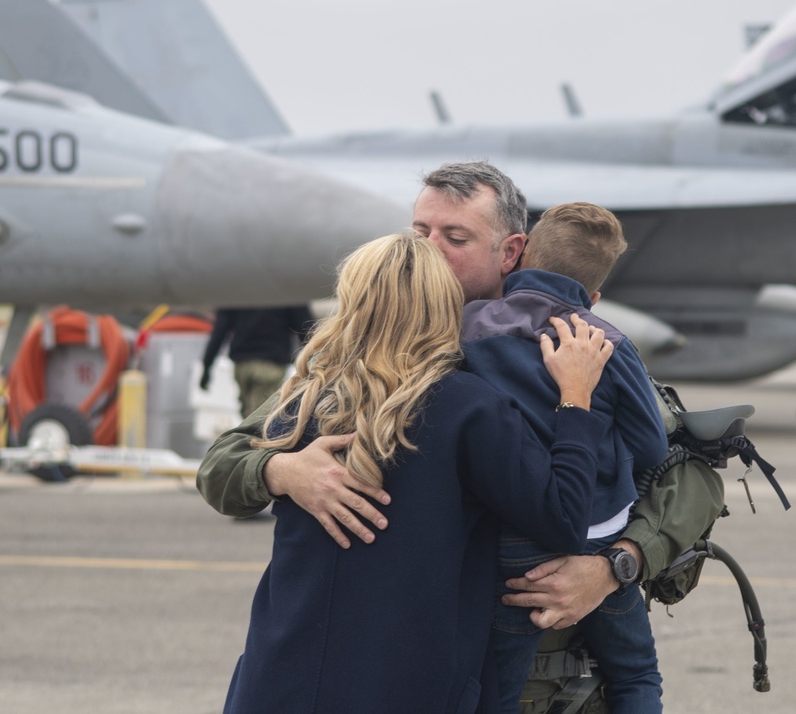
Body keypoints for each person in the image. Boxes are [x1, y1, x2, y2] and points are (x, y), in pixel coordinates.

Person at [196, 161, 725, 709]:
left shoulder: (571, 350)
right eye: (419, 232)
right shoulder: (365, 365)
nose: (428, 248)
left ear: (511, 252)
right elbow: (223, 463)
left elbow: (691, 476)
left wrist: (615, 566)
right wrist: (281, 470)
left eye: (455, 237)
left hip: (551, 679)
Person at [223, 232, 613, 713]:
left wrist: (276, 468)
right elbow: (563, 519)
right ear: (443, 305)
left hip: (275, 682)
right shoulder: (469, 408)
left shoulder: (301, 404)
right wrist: (576, 400)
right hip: (409, 687)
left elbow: (223, 462)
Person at [462, 202, 667, 713]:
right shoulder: (606, 340)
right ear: (594, 296)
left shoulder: (467, 328)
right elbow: (651, 446)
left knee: (498, 691)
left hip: (514, 540)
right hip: (600, 539)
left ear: (520, 253)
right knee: (636, 672)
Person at [200, 306, 314, 417]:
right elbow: (307, 331)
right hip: (270, 366)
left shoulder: (234, 291)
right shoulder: (285, 293)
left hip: (242, 366)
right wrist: (314, 366)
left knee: (249, 417)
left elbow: (219, 331)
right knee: (261, 421)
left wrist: (207, 366)